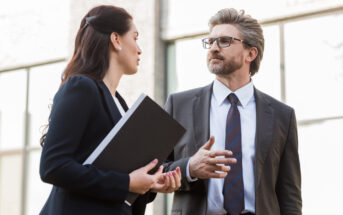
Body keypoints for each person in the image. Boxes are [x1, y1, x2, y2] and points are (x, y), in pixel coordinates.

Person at [39, 5, 181, 215]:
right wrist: (126, 183)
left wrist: (149, 183)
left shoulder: (120, 104)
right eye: (135, 37)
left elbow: (116, 179)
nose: (140, 48)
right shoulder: (81, 87)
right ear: (116, 40)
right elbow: (53, 166)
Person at [164, 8, 302, 215]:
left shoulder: (283, 116)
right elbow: (153, 169)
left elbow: (289, 193)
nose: (213, 48)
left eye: (224, 41)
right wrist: (189, 168)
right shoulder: (179, 105)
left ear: (251, 53)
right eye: (210, 42)